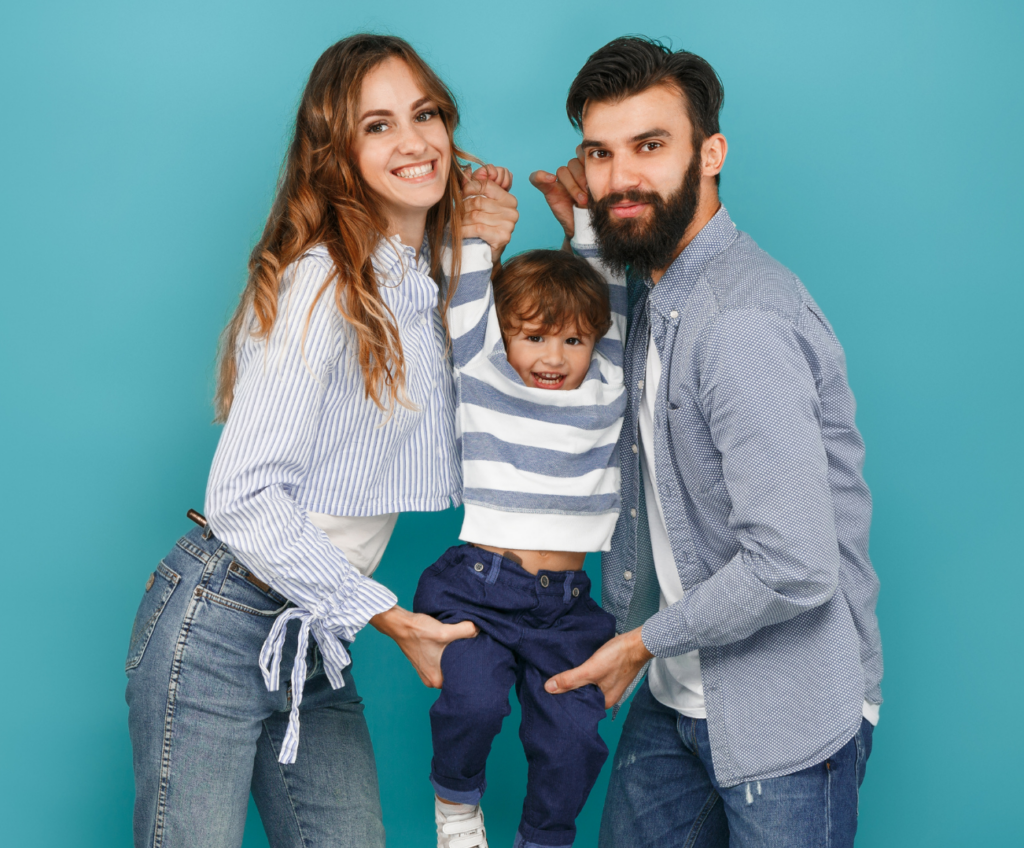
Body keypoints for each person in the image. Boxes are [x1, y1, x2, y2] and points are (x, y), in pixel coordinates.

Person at [124, 34, 517, 848]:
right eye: (378, 126)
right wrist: (388, 617)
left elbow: (476, 414)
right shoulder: (323, 279)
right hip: (222, 618)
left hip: (309, 638)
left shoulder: (412, 282)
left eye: (426, 113)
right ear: (335, 154)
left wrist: (484, 253)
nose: (414, 141)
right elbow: (242, 495)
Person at [530, 36, 883, 847]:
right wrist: (587, 237)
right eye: (601, 153)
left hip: (785, 709)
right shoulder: (658, 288)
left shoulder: (741, 322)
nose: (622, 178)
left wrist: (639, 645)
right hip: (681, 691)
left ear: (711, 153)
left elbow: (792, 563)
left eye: (650, 147)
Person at [413, 237, 626, 848]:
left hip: (566, 608)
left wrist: (589, 221)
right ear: (505, 339)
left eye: (572, 341)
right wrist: (477, 238)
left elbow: (609, 300)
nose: (553, 357)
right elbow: (466, 311)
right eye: (533, 338)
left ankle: (545, 838)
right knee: (473, 704)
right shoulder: (483, 375)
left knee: (573, 738)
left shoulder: (606, 385)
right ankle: (455, 807)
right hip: (478, 588)